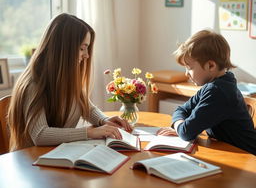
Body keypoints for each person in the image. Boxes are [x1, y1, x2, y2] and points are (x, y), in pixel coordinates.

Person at [7, 13, 132, 151]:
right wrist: (89, 132)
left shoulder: (65, 78)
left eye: (87, 48)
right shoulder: (33, 83)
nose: (87, 55)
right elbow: (40, 134)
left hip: (55, 155)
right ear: (63, 49)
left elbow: (87, 107)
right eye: (82, 48)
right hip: (30, 162)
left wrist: (104, 120)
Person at [157, 29, 256, 155]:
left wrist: (179, 127)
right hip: (229, 151)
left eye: (189, 68)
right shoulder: (214, 85)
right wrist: (180, 126)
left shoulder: (218, 91)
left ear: (211, 66)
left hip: (248, 157)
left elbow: (186, 132)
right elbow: (181, 110)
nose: (186, 73)